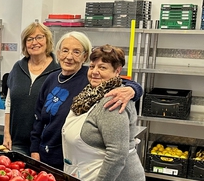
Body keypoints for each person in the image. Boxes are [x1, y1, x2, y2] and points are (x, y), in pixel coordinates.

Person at [62, 45, 145, 181]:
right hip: (85, 178)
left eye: (103, 67)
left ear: (117, 72)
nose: (95, 71)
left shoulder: (113, 102)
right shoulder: (89, 94)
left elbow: (116, 155)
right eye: (93, 66)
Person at [29, 31, 143, 170]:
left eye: (76, 52)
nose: (69, 57)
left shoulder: (91, 77)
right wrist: (34, 149)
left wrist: (133, 89)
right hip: (45, 155)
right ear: (58, 53)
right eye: (65, 50)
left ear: (85, 56)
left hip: (73, 160)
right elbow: (39, 118)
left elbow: (119, 82)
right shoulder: (51, 78)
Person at [3, 22, 60, 156]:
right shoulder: (18, 68)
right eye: (29, 39)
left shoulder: (57, 72)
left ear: (47, 40)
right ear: (25, 44)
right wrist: (6, 134)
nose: (34, 42)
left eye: (39, 37)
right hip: (17, 142)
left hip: (45, 144)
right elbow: (9, 103)